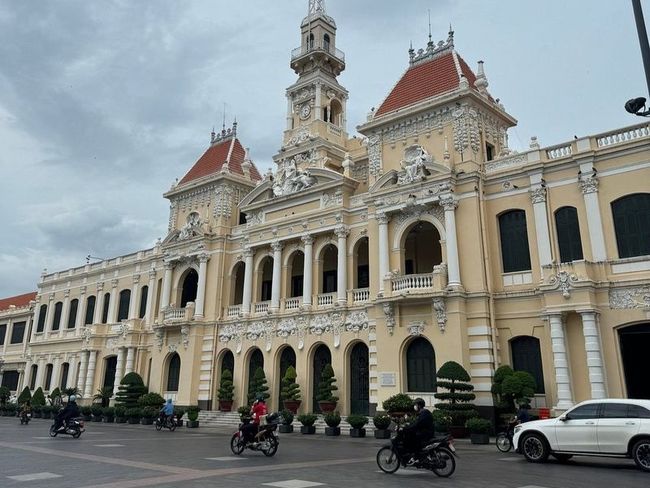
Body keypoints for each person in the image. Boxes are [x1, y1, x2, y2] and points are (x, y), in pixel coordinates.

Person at [402, 398, 435, 464]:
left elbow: (417, 425)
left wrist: (407, 428)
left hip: (426, 433)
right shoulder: (424, 412)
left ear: (419, 406)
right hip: (426, 431)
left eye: (416, 405)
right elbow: (417, 423)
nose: (415, 406)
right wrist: (409, 425)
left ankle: (416, 457)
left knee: (412, 439)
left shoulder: (424, 413)